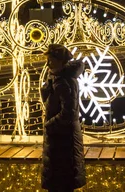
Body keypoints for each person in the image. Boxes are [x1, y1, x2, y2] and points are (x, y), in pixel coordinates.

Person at [41, 44, 86, 192]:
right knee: (58, 182)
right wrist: (45, 91)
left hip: (63, 141)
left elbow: (68, 113)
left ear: (61, 61)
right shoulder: (57, 77)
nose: (48, 64)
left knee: (61, 183)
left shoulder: (64, 82)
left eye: (51, 60)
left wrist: (49, 125)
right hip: (59, 139)